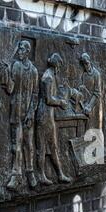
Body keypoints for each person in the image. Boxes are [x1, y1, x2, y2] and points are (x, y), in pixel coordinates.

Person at [2, 40, 38, 191]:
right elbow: (10, 89)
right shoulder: (16, 66)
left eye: (22, 49)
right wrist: (6, 72)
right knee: (16, 146)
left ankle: (30, 173)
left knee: (29, 145)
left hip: (28, 115)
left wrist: (31, 113)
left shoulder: (34, 71)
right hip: (16, 113)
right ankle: (16, 176)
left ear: (27, 51)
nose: (19, 51)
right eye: (19, 49)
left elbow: (35, 94)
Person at [36, 53, 71, 186]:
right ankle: (41, 175)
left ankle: (60, 174)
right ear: (56, 65)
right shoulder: (48, 77)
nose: (60, 68)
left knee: (53, 146)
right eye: (59, 65)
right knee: (42, 147)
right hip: (43, 116)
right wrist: (61, 102)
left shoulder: (51, 76)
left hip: (48, 116)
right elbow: (49, 99)